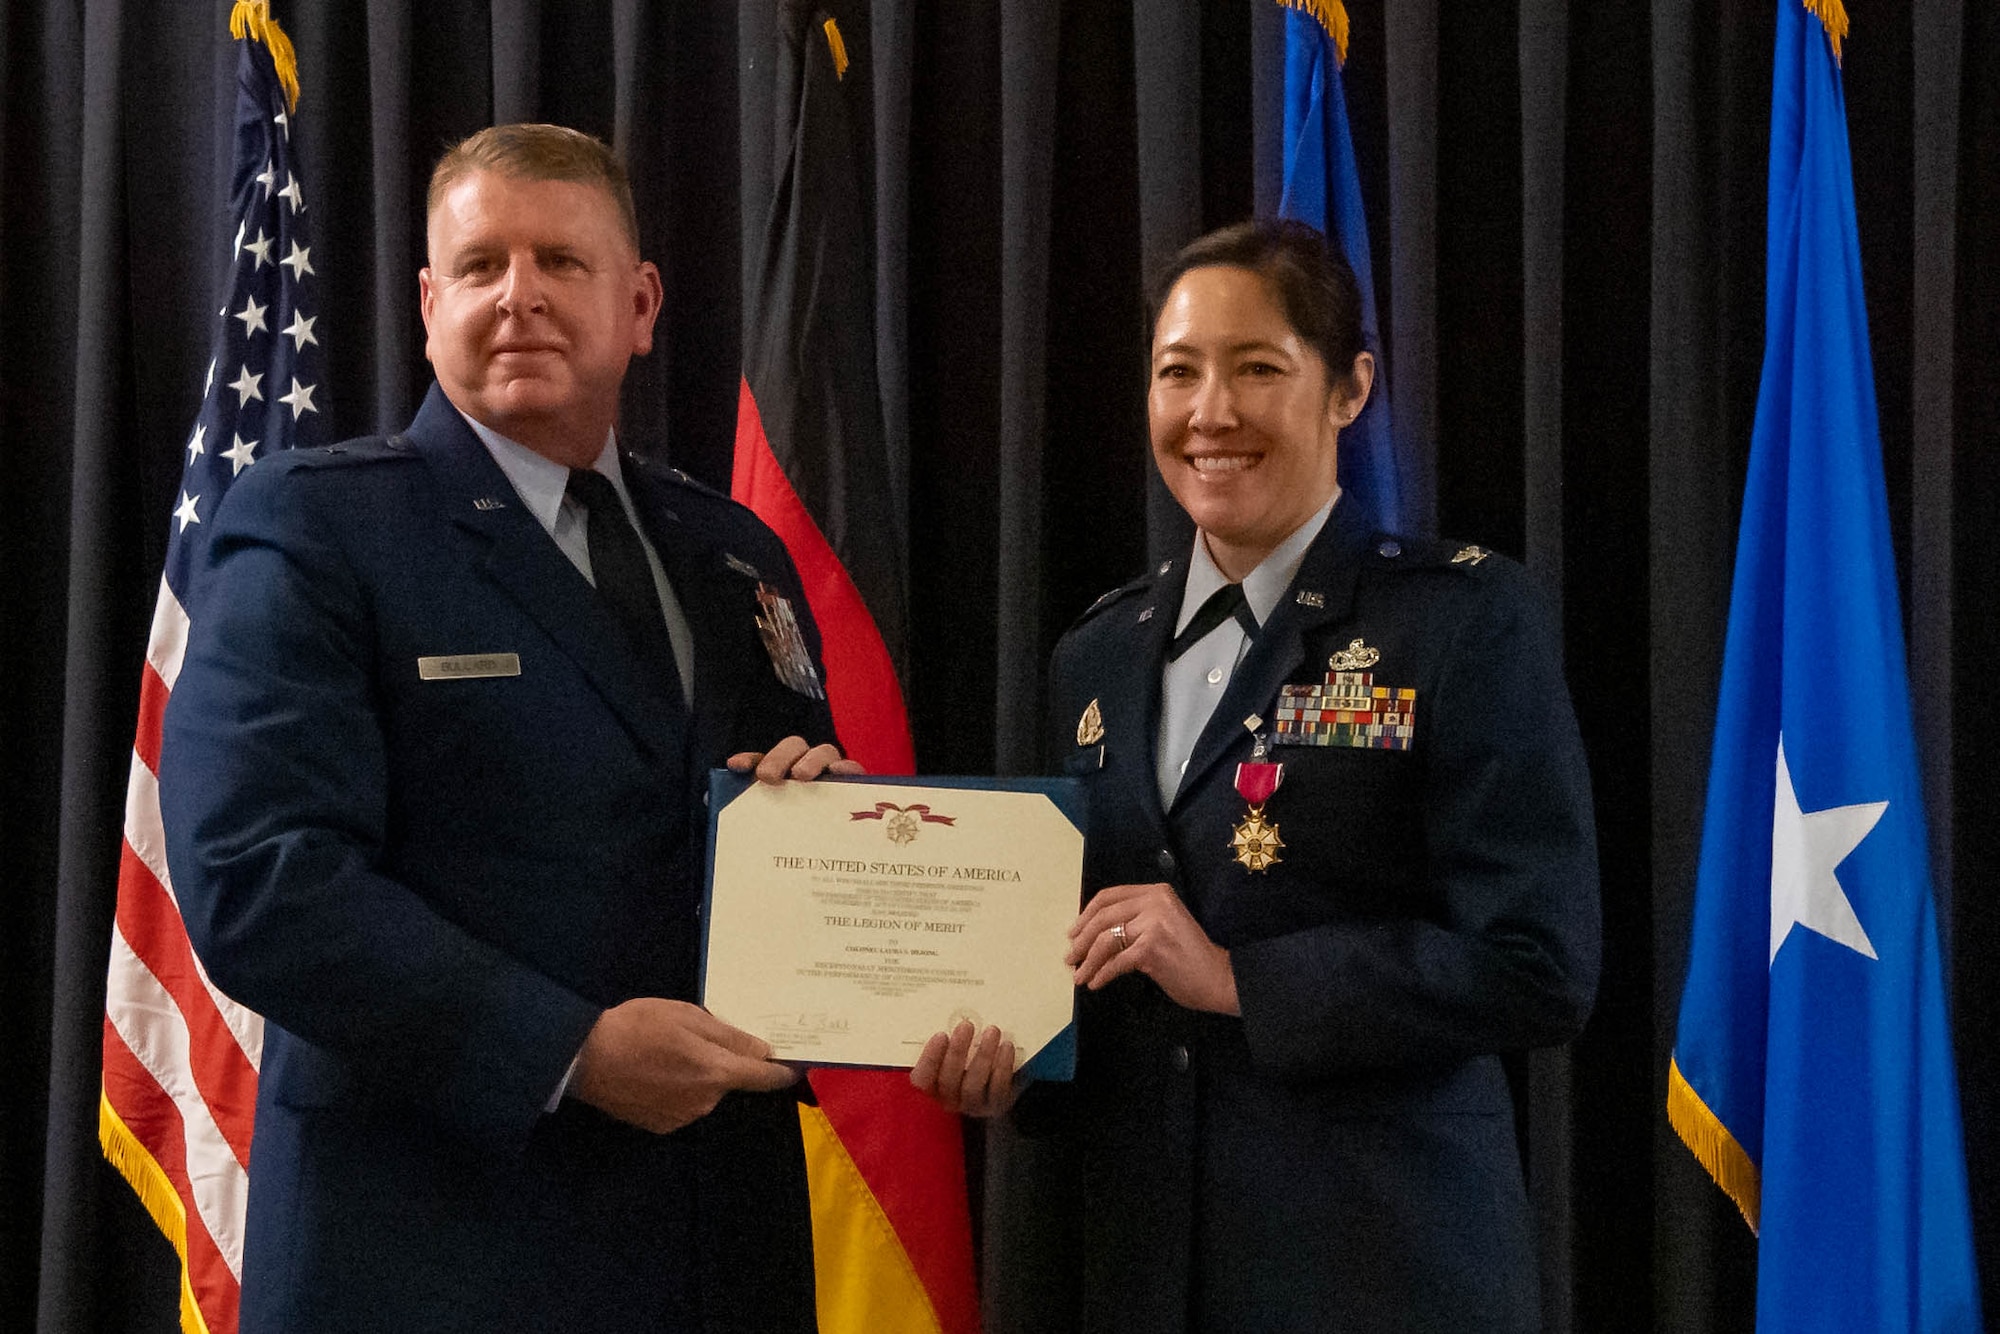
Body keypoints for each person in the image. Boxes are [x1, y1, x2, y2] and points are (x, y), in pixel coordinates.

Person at [160, 124, 855, 1334]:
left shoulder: (732, 553)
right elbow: (257, 880)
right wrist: (570, 1048)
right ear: (429, 306)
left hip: (711, 1244)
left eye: (559, 261)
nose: (518, 293)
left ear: (639, 304)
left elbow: (792, 851)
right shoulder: (318, 529)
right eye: (480, 266)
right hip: (430, 1251)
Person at [918, 219, 1600, 1332]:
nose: (1210, 413)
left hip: (1385, 1273)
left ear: (1348, 388)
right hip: (1146, 1274)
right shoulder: (1094, 652)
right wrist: (1014, 1065)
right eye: (1176, 372)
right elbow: (1094, 977)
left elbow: (1538, 963)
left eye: (1257, 370)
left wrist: (1241, 978)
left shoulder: (1460, 623)